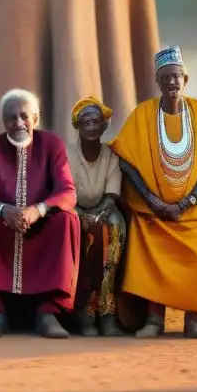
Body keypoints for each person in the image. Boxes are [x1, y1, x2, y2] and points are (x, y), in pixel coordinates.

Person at [110, 45, 197, 339]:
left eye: (177, 77)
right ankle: (154, 320)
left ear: (185, 80)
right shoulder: (142, 114)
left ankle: (195, 319)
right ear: (158, 82)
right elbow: (125, 160)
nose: (173, 82)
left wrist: (187, 201)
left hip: (192, 212)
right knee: (151, 256)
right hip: (153, 212)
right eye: (167, 78)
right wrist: (152, 200)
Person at [0, 89, 81, 339]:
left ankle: (47, 313)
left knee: (67, 218)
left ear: (36, 119)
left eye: (24, 116)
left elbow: (67, 191)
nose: (18, 123)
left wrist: (38, 210)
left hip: (40, 224)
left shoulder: (52, 144)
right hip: (2, 224)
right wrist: (2, 209)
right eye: (11, 118)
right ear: (3, 122)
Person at [67, 96, 125, 337]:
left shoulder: (111, 155)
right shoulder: (67, 153)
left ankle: (107, 311)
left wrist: (100, 213)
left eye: (96, 121)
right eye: (86, 122)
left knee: (113, 228)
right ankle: (86, 312)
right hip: (73, 209)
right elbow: (65, 191)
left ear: (104, 126)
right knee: (82, 232)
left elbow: (112, 195)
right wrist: (81, 213)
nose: (91, 126)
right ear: (77, 127)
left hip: (104, 209)